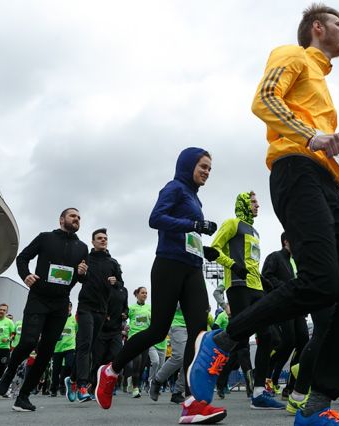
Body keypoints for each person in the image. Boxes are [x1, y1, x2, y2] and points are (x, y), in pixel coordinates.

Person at [187, 5, 339, 425]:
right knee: (322, 281)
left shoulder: (321, 81)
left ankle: (315, 405)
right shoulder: (292, 54)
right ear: (317, 27)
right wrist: (311, 134)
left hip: (326, 184)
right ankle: (222, 341)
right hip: (293, 172)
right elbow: (264, 100)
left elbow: (327, 157)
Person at [95, 147, 227, 424]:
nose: (207, 172)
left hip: (193, 268)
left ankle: (192, 403)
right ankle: (111, 371)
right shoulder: (174, 187)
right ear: (188, 165)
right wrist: (195, 223)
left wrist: (204, 247)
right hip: (169, 264)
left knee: (199, 333)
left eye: (210, 169)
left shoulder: (195, 198)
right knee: (157, 330)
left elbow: (188, 232)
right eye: (203, 166)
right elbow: (156, 218)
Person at [0, 208, 88, 412]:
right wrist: (26, 275)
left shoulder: (82, 248)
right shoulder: (46, 238)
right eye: (73, 216)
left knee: (46, 352)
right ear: (62, 219)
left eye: (79, 217)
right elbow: (22, 258)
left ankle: (23, 397)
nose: (77, 219)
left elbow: (82, 278)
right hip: (39, 298)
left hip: (61, 303)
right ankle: (10, 371)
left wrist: (83, 273)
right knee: (29, 341)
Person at [210, 191, 284, 410]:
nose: (257, 205)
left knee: (268, 336)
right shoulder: (232, 224)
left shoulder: (255, 231)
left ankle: (259, 392)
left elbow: (251, 262)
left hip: (256, 288)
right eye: (253, 202)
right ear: (242, 203)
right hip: (238, 286)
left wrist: (263, 280)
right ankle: (210, 371)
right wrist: (233, 266)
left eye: (257, 202)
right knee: (239, 338)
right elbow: (213, 250)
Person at [68, 227, 123, 401]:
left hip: (102, 309)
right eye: (99, 238)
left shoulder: (113, 263)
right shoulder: (86, 258)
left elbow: (120, 284)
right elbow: (79, 278)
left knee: (90, 347)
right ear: (93, 242)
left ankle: (73, 379)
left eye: (105, 238)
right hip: (85, 307)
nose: (103, 240)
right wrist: (80, 272)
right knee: (84, 345)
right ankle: (83, 386)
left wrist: (116, 282)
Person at [262, 232, 309, 399]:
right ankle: (266, 376)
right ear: (286, 241)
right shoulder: (275, 257)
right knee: (286, 343)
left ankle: (291, 386)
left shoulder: (295, 262)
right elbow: (266, 277)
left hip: (297, 308)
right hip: (282, 305)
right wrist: (286, 288)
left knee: (304, 342)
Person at [149, 303, 188, 404]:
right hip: (178, 324)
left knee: (190, 359)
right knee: (179, 357)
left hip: (193, 325)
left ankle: (178, 392)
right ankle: (157, 381)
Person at [51, 302, 77, 397]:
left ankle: (63, 385)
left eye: (69, 307)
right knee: (56, 370)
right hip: (58, 348)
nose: (68, 308)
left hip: (70, 347)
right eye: (66, 307)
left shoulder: (74, 319)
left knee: (69, 366)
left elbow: (77, 330)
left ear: (71, 308)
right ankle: (53, 389)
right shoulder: (57, 319)